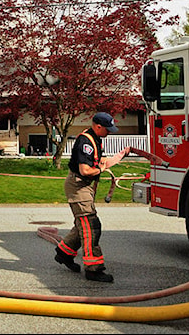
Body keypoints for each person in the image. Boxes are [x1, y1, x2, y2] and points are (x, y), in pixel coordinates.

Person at [54, 111, 131, 282]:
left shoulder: (96, 139)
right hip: (78, 186)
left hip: (83, 186)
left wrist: (120, 155)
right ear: (98, 126)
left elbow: (101, 163)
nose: (110, 132)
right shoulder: (85, 142)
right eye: (107, 129)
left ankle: (64, 253)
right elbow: (85, 170)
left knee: (83, 224)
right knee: (91, 226)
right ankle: (93, 269)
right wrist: (102, 169)